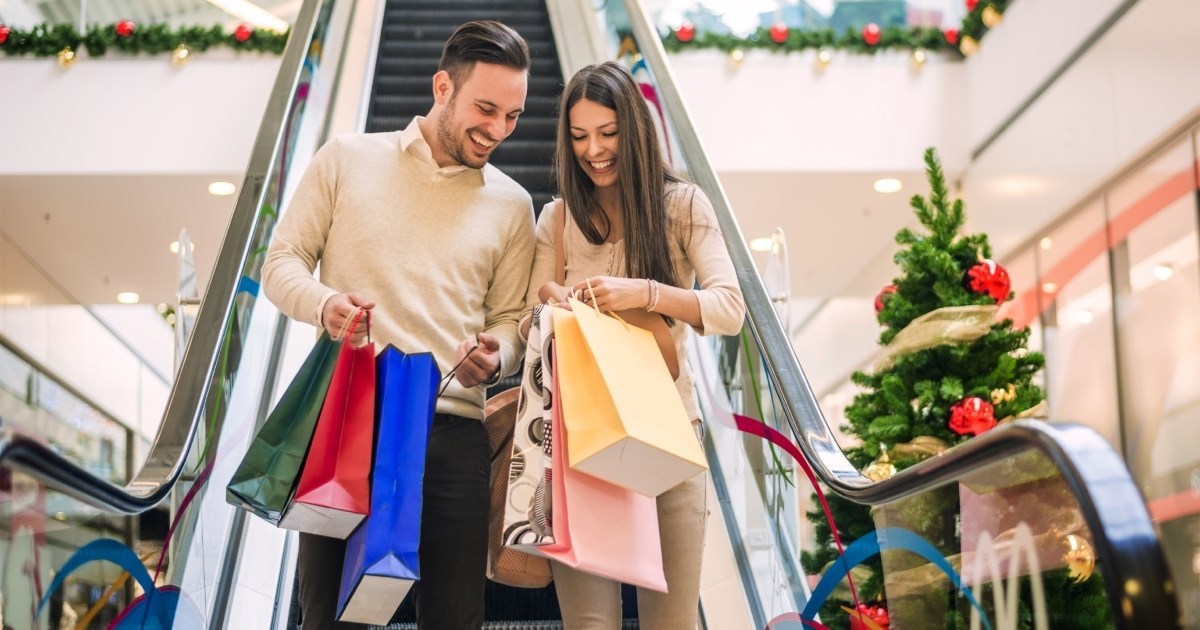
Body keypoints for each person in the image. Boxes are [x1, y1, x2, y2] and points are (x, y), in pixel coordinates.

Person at [261, 20, 535, 630]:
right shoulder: (345, 160)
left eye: (513, 116)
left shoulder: (514, 204)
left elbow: (513, 320)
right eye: (485, 109)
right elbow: (280, 263)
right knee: (332, 618)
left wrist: (498, 353)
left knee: (456, 619)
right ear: (443, 86)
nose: (497, 130)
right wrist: (323, 304)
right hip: (348, 422)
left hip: (454, 432)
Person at [522, 61, 745, 629]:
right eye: (578, 137)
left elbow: (729, 309)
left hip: (669, 434)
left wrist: (643, 292)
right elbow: (530, 324)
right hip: (581, 442)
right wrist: (553, 300)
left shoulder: (682, 206)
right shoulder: (559, 217)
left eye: (607, 133)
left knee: (671, 622)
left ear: (635, 130)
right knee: (588, 624)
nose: (593, 150)